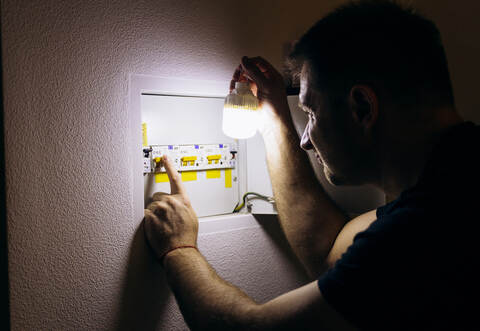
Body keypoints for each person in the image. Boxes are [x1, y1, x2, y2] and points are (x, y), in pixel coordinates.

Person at [143, 1, 480, 330]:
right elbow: (330, 249)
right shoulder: (456, 179)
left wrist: (179, 247)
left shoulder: (422, 229)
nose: (305, 140)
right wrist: (274, 120)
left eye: (311, 113)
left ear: (362, 107)